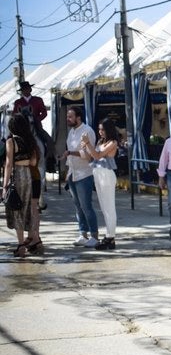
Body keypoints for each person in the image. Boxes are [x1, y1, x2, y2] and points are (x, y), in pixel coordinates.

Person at [4, 113, 41, 257]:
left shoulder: (11, 142)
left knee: (16, 208)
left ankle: (20, 244)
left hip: (18, 175)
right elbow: (33, 162)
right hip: (28, 175)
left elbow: (8, 164)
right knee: (28, 208)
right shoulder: (30, 141)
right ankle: (35, 238)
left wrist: (5, 184)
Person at [79, 117, 119, 250]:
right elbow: (91, 157)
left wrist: (88, 143)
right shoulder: (101, 142)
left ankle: (110, 237)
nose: (100, 132)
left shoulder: (112, 143)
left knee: (109, 207)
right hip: (98, 174)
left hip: (106, 175)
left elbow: (98, 155)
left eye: (103, 129)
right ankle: (108, 235)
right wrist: (85, 147)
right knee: (103, 207)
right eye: (99, 129)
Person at [63, 106, 99, 247]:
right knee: (78, 207)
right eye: (67, 116)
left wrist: (71, 153)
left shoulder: (87, 131)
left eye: (70, 116)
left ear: (78, 117)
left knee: (86, 206)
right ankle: (82, 234)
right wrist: (68, 171)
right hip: (73, 173)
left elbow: (88, 155)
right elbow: (69, 153)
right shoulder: (71, 132)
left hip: (84, 174)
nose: (68, 119)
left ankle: (94, 236)